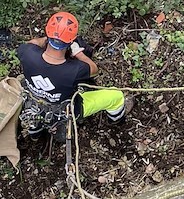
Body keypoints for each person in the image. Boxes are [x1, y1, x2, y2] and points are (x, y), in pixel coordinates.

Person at [17, 11, 132, 141]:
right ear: (71, 40)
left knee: (34, 109)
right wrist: (78, 53)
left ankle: (35, 133)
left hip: (34, 104)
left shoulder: (27, 53)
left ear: (47, 33)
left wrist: (50, 38)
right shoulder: (75, 70)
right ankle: (117, 121)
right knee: (116, 96)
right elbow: (94, 70)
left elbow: (32, 43)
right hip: (65, 111)